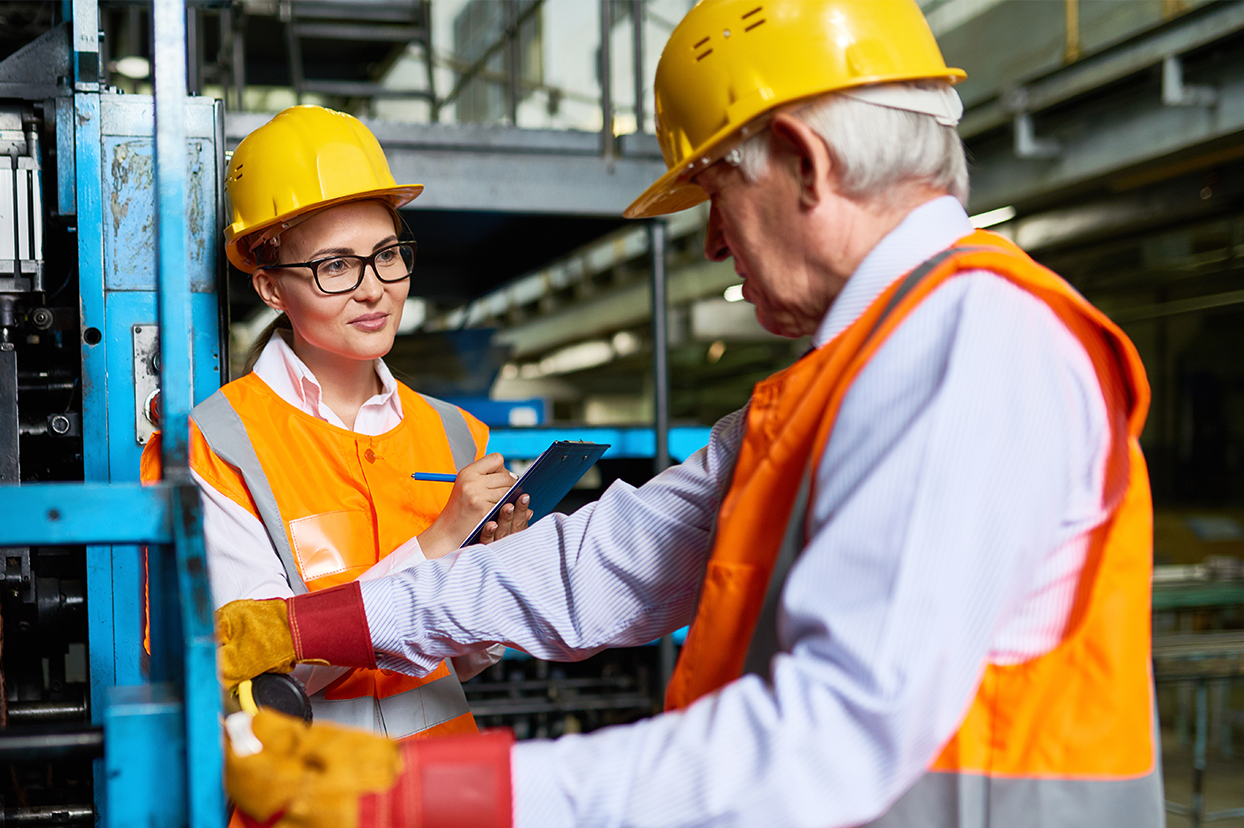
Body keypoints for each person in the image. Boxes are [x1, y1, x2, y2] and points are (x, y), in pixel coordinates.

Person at [214, 1, 1163, 826]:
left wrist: (429, 794)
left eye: (716, 194)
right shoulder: (854, 371)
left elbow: (822, 742)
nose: (712, 243)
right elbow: (603, 561)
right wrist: (314, 625)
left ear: (804, 162)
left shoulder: (972, 349)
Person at [142, 104, 530, 740]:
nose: (374, 288)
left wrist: (495, 574)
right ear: (270, 288)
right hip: (307, 795)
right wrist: (440, 541)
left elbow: (459, 660)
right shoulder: (214, 445)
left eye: (386, 255)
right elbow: (251, 676)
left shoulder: (457, 433)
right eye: (336, 265)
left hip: (449, 791)